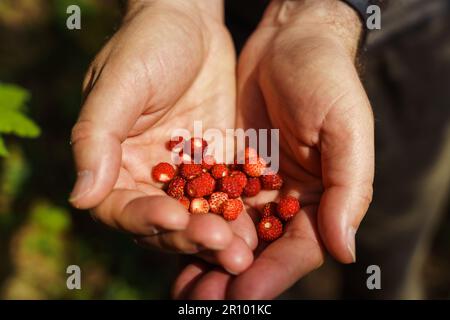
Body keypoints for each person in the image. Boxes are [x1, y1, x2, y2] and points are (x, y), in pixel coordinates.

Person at [69, 0, 450, 299]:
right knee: (243, 262)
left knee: (393, 227)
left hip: (405, 30)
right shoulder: (219, 182)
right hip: (228, 21)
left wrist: (321, 13)